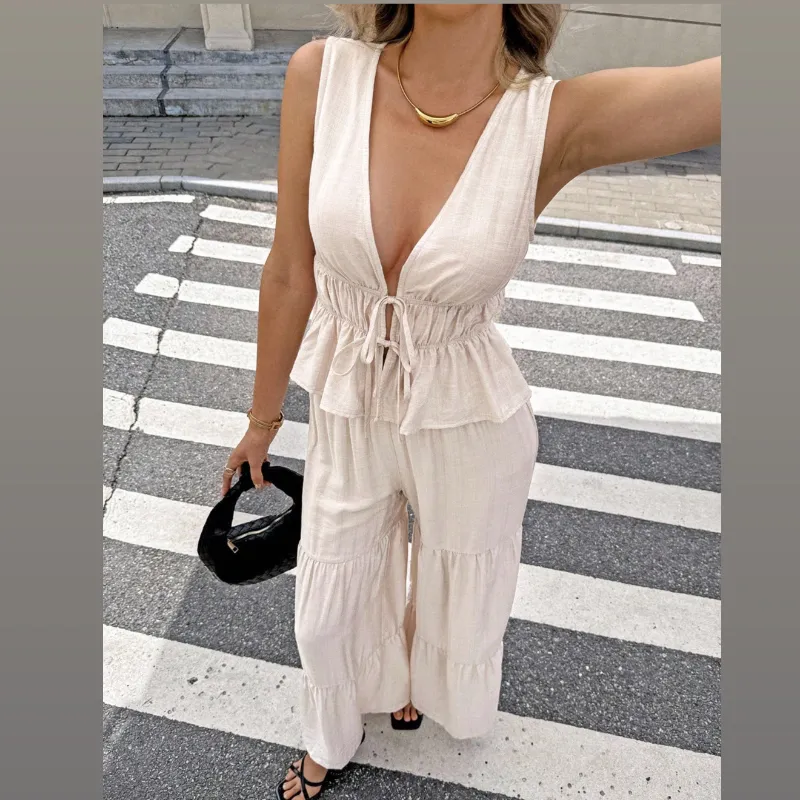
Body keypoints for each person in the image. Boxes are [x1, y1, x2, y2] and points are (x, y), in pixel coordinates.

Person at [220, 5, 721, 799]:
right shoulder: (322, 75)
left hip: (472, 414)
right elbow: (289, 266)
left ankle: (411, 674)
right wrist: (262, 417)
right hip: (350, 407)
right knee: (324, 612)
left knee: (452, 589)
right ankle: (329, 735)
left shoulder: (551, 120)